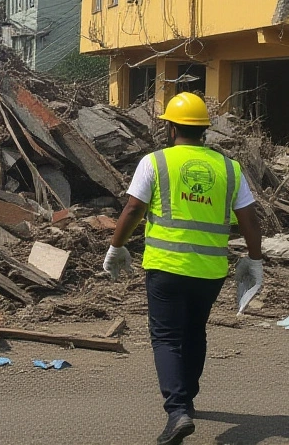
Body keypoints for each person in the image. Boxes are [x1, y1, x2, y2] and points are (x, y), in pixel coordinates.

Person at [102, 92, 264, 445]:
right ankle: (187, 397)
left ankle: (177, 411)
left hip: (166, 267)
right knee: (195, 331)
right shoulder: (228, 168)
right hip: (209, 271)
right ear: (204, 131)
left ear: (172, 129)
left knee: (166, 337)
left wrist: (117, 247)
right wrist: (253, 258)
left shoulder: (155, 162)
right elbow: (249, 218)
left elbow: (132, 210)